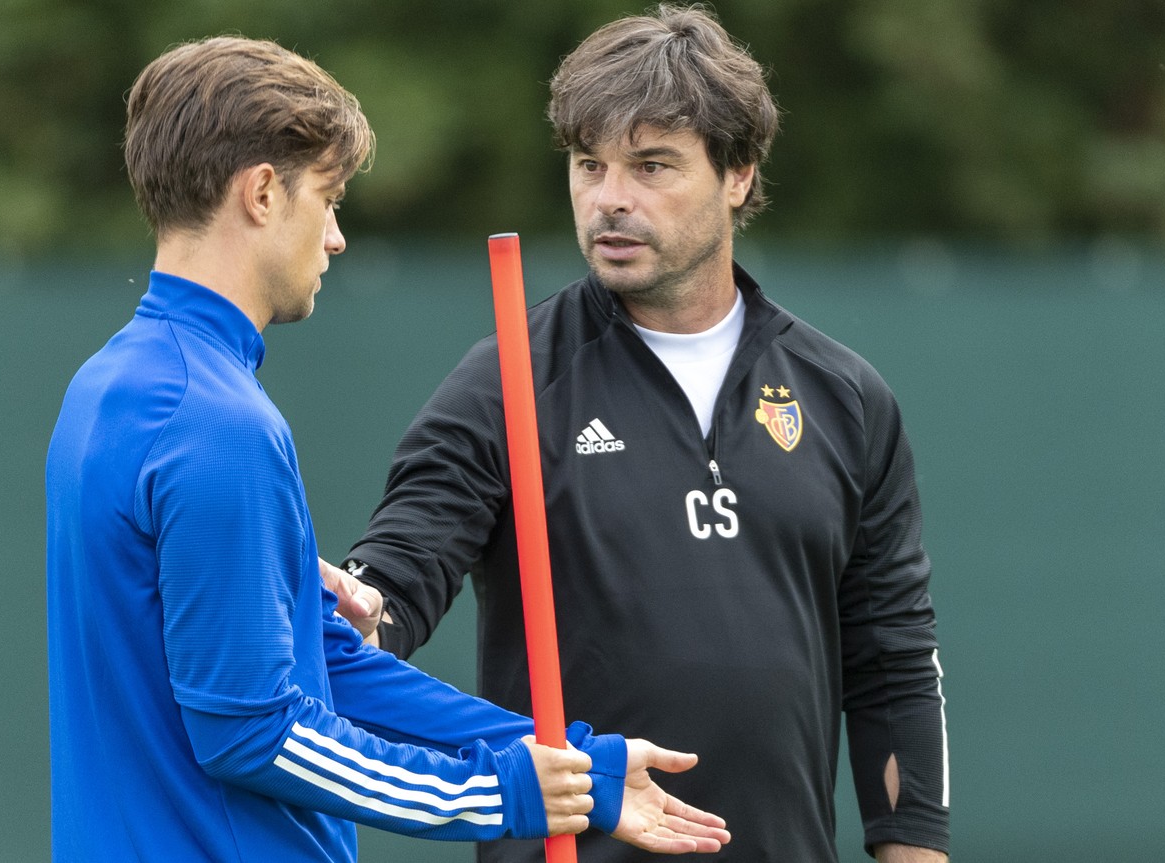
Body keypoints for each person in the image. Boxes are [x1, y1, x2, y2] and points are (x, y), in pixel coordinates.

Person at [44, 35, 732, 862]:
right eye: (328, 198)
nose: (335, 237)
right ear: (263, 193)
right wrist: (502, 792)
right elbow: (253, 731)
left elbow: (328, 668)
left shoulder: (111, 384)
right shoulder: (217, 423)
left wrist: (578, 761)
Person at [334, 6, 950, 862]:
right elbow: (398, 576)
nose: (611, 198)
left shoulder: (846, 396)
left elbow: (892, 663)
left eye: (652, 165)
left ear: (738, 175)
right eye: (591, 165)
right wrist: (360, 610)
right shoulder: (507, 377)